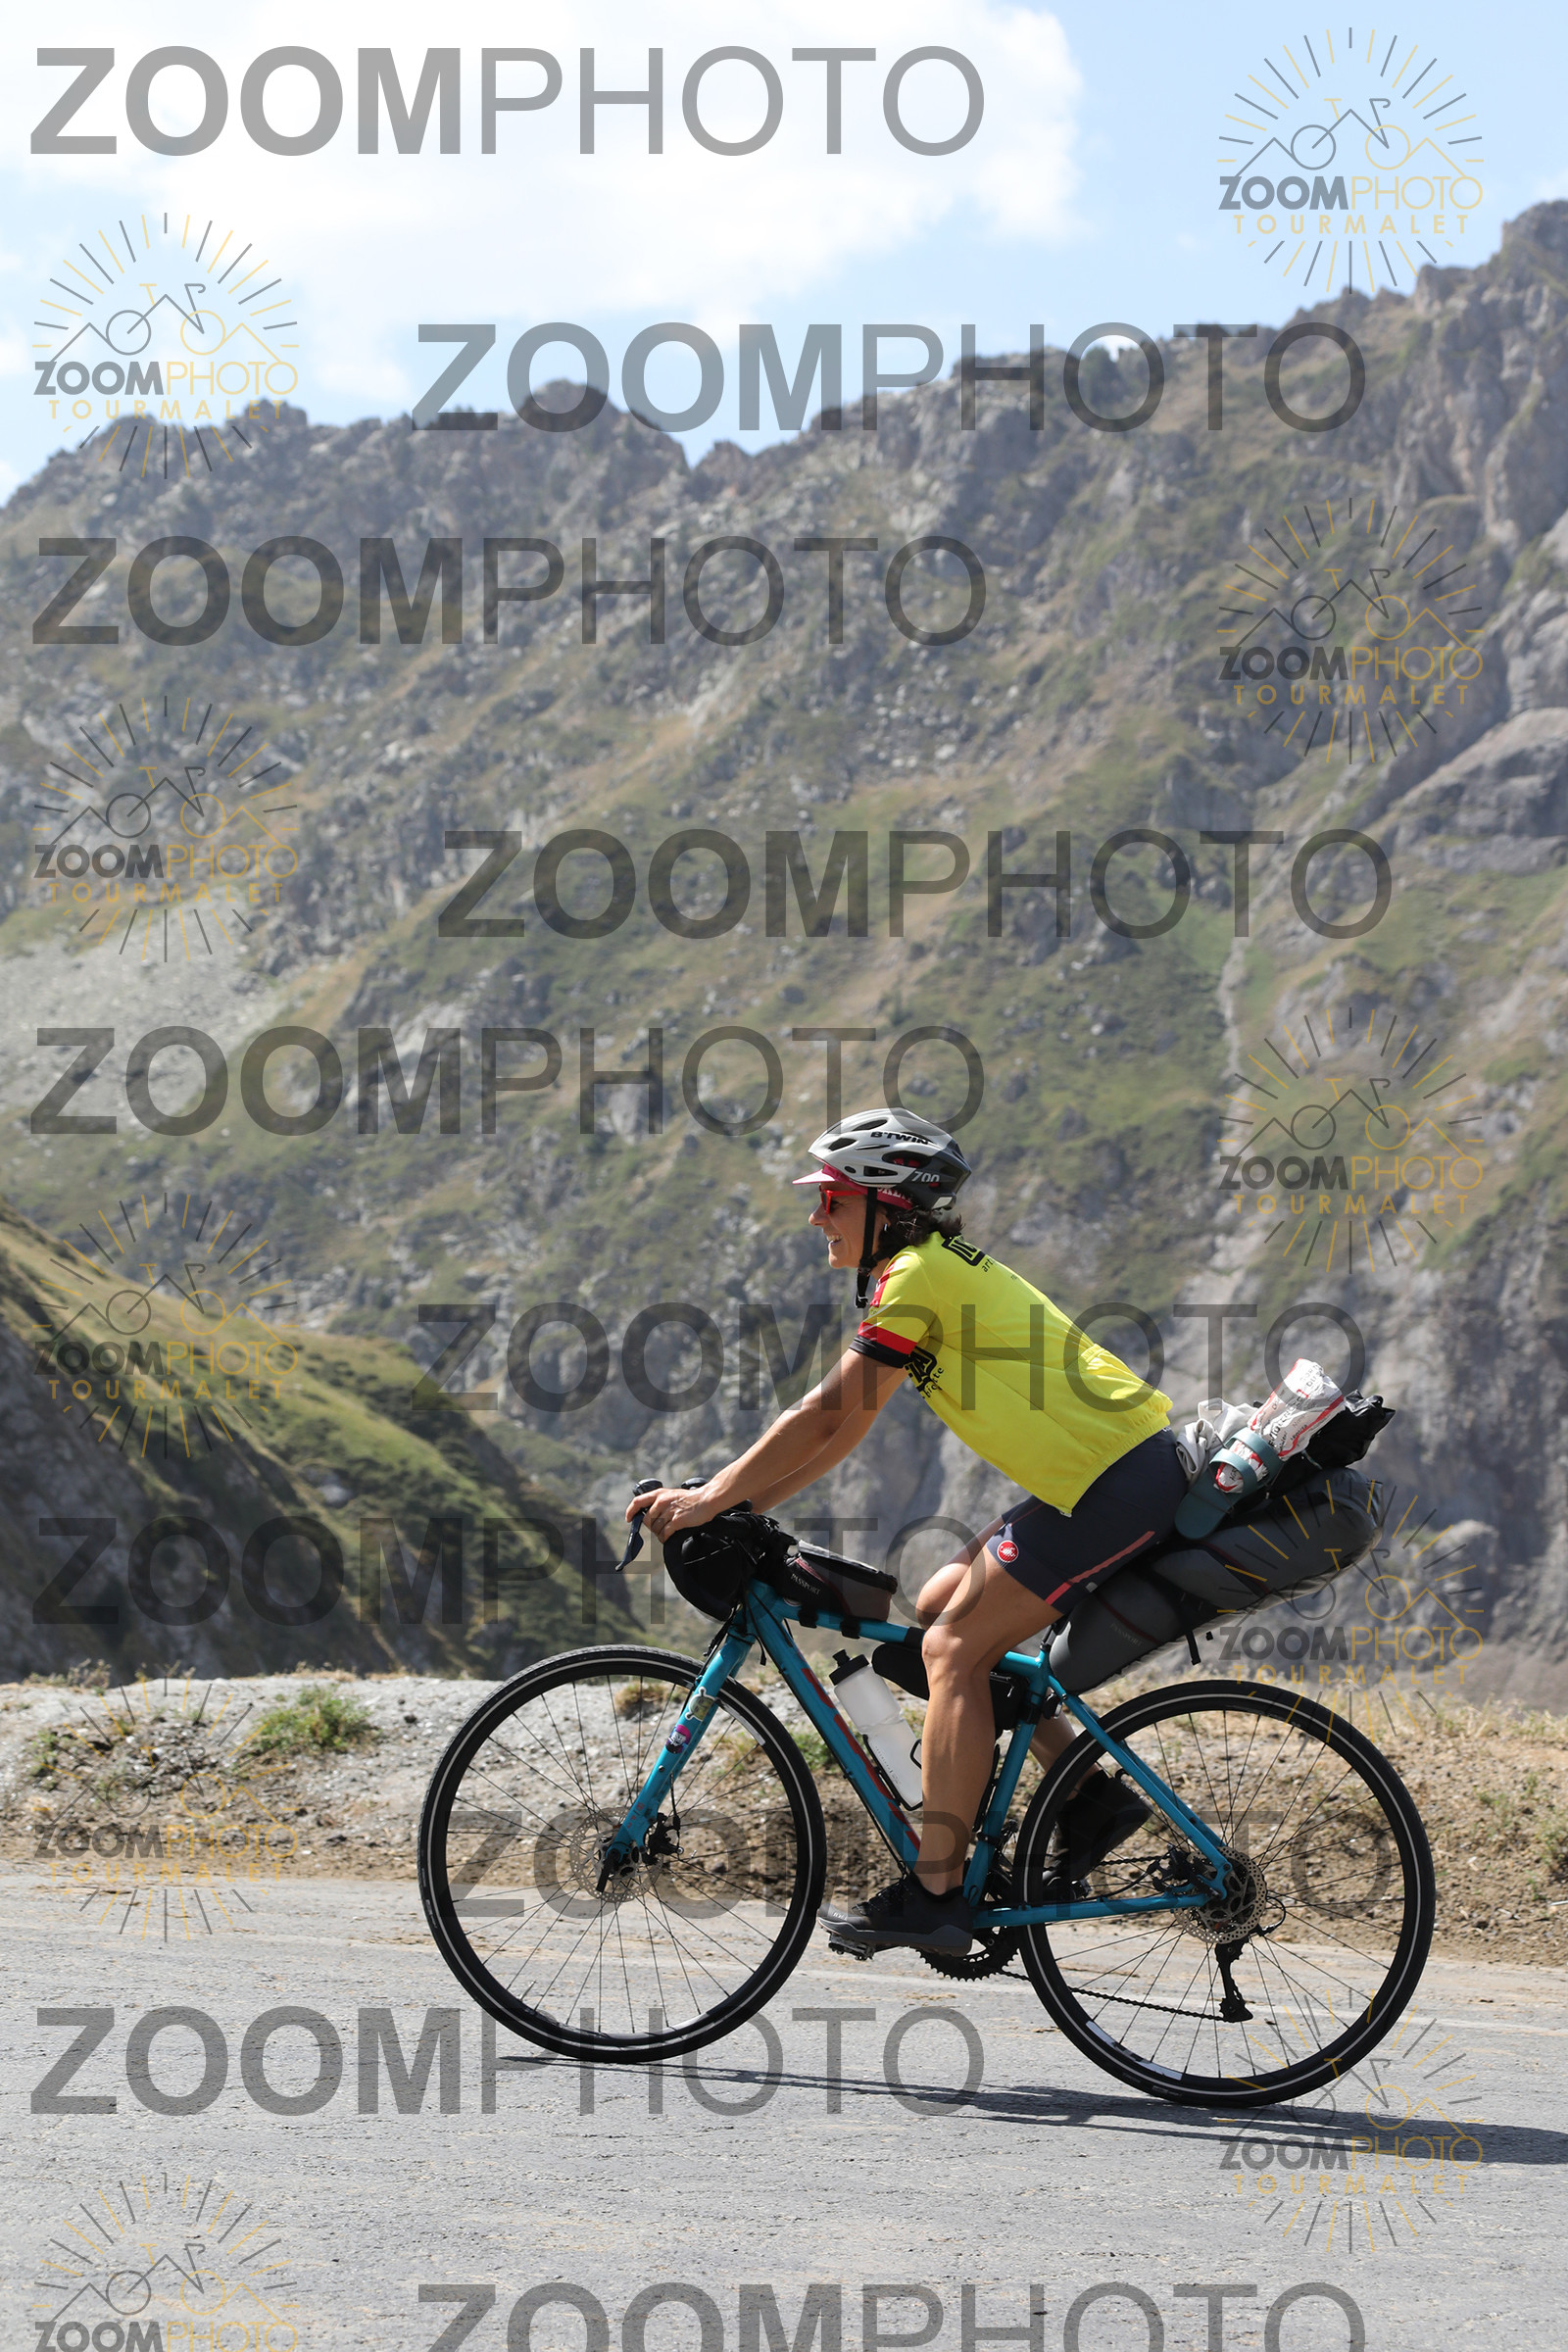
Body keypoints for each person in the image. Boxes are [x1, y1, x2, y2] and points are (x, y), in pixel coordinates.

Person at [627, 1108, 1186, 1958]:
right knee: (937, 1608)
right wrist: (737, 1503)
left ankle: (936, 1894)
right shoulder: (924, 1270)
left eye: (831, 1200)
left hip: (1114, 1483)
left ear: (884, 1205)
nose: (816, 1216)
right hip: (1099, 1476)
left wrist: (710, 1498)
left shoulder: (917, 1276)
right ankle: (1089, 1802)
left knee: (954, 1650)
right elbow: (848, 1427)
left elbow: (825, 1414)